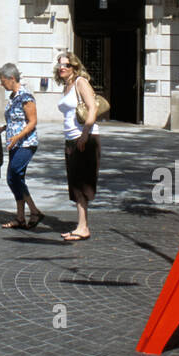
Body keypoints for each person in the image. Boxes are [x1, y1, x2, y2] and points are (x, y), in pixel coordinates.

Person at [54, 51, 99, 241]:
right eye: (60, 65)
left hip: (85, 138)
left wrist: (85, 134)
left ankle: (83, 226)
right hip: (71, 138)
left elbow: (93, 107)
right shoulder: (67, 85)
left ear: (75, 67)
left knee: (82, 181)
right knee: (75, 182)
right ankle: (81, 225)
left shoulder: (80, 82)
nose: (62, 67)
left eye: (66, 65)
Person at [0, 63, 43, 230]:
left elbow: (32, 122)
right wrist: (3, 128)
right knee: (14, 179)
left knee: (14, 174)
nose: (1, 84)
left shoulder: (25, 96)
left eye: (3, 81)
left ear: (11, 78)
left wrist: (17, 137)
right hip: (14, 143)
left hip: (26, 143)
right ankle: (20, 217)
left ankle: (34, 211)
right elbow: (15, 120)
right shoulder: (12, 97)